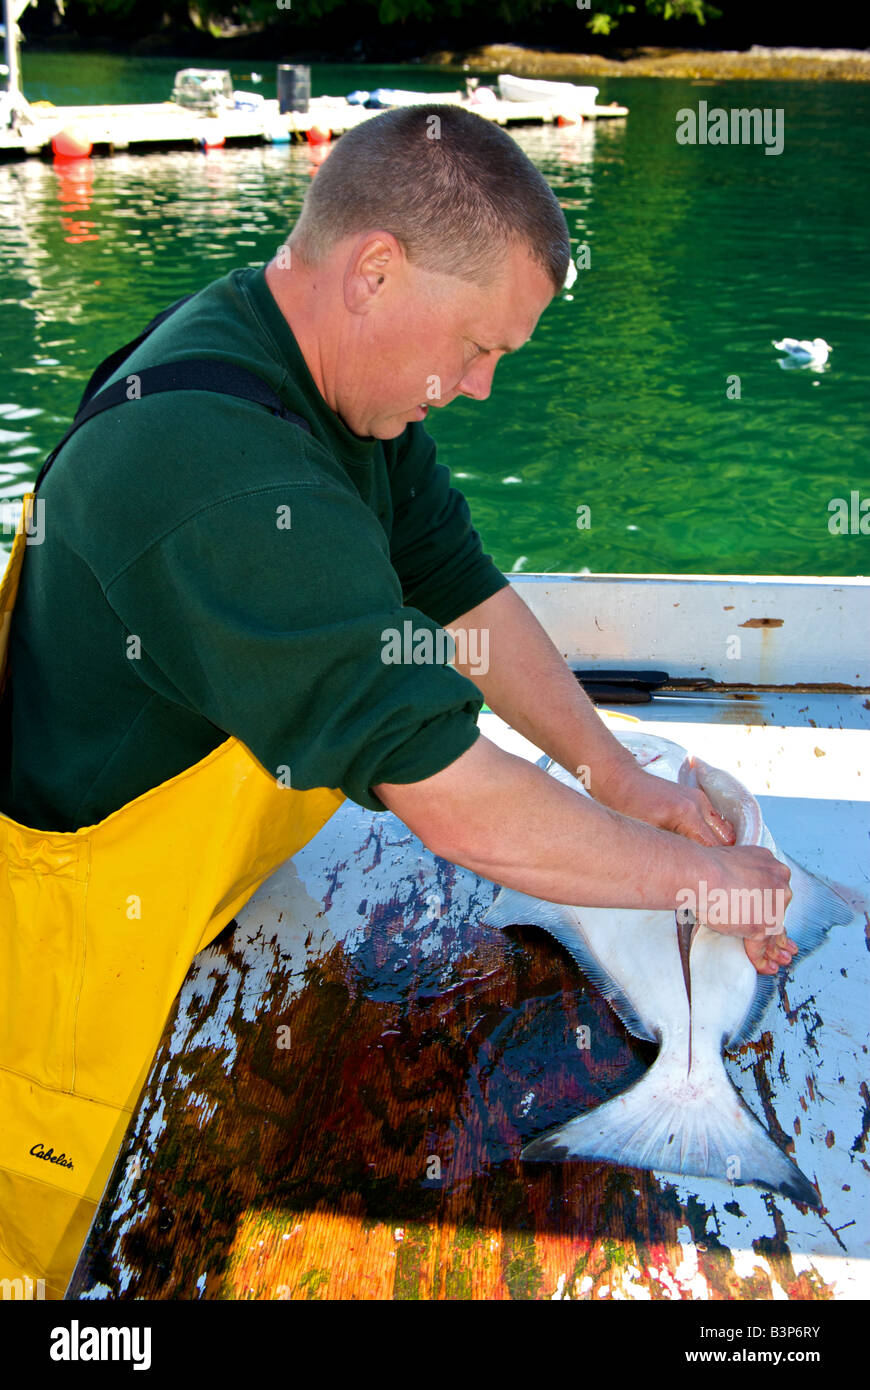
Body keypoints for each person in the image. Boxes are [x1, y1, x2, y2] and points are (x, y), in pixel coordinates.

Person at [0, 104, 793, 1297]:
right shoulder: (214, 474)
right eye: (477, 348)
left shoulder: (317, 366)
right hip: (68, 1006)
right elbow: (458, 804)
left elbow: (461, 593)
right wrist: (704, 880)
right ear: (376, 269)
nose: (478, 389)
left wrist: (612, 773)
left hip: (198, 910)